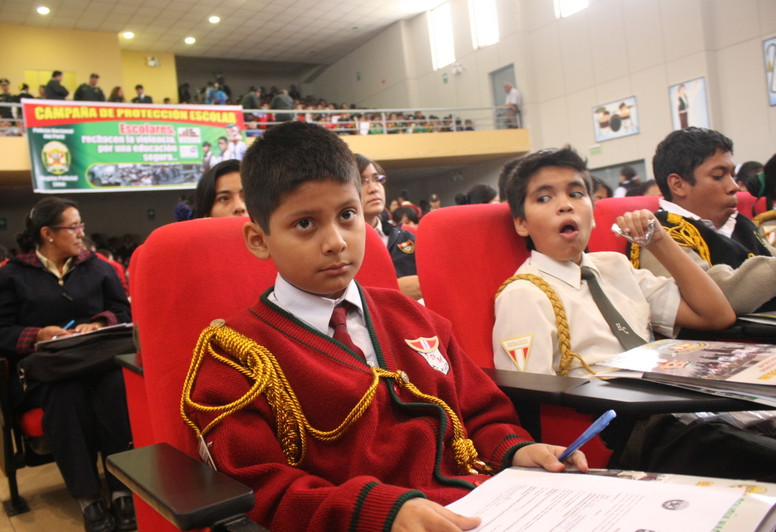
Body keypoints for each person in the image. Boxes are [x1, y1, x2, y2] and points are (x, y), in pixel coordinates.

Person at [182, 121, 588, 532]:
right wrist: (375, 512)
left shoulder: (411, 315)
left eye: (346, 215)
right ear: (258, 239)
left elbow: (482, 413)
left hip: (484, 507)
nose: (336, 241)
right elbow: (256, 487)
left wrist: (516, 449)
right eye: (305, 223)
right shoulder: (235, 355)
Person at [493, 145, 734, 377]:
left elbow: (716, 316)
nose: (566, 205)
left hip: (665, 393)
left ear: (594, 214)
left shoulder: (615, 267)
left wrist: (659, 241)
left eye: (576, 194)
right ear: (521, 223)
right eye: (544, 198)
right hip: (613, 412)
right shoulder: (525, 294)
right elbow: (531, 395)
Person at [0, 197, 135, 532]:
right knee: (65, 398)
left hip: (97, 360)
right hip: (48, 372)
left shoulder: (98, 267)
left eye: (81, 225)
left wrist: (99, 323)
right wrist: (36, 335)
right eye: (73, 226)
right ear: (47, 233)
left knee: (115, 389)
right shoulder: (13, 275)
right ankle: (89, 498)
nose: (82, 233)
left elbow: (123, 311)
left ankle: (123, 489)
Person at [630, 128, 776, 314]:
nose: (733, 187)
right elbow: (712, 297)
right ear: (678, 185)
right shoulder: (656, 234)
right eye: (718, 176)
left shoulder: (739, 222)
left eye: (733, 176)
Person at [356, 154, 422, 301]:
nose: (373, 188)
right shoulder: (338, 244)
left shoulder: (406, 237)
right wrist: (395, 290)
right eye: (362, 181)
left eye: (377, 179)